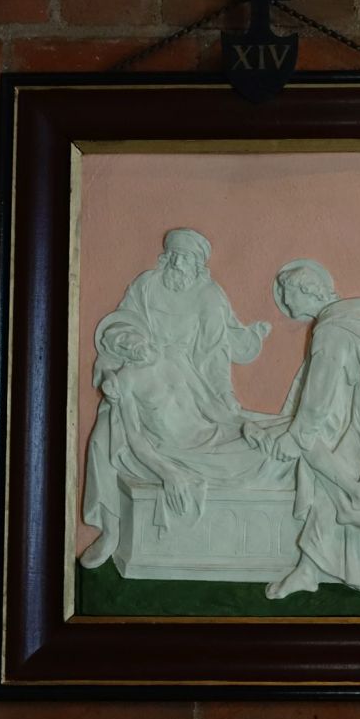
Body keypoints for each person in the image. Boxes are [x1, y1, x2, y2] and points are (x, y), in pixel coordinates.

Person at [80, 228, 271, 568]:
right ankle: (110, 529)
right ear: (165, 257)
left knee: (229, 428)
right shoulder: (146, 285)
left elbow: (214, 355)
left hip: (189, 382)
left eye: (187, 259)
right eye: (175, 257)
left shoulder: (209, 297)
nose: (179, 265)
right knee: (101, 438)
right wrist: (110, 375)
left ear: (199, 265)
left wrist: (224, 396)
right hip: (139, 377)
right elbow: (120, 329)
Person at [245, 259, 360, 614]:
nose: (284, 300)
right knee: (325, 481)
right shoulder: (355, 318)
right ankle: (309, 569)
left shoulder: (332, 330)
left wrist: (292, 438)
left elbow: (317, 401)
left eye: (287, 292)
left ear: (308, 291)